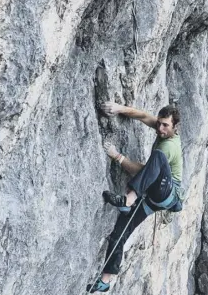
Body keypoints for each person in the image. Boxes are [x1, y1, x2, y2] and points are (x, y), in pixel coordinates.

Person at [86, 101, 184, 293]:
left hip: (167, 193)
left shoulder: (169, 147)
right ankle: (104, 282)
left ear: (175, 127)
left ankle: (129, 200)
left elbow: (142, 171)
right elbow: (143, 115)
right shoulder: (161, 127)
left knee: (157, 158)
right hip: (152, 199)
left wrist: (117, 156)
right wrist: (119, 109)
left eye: (165, 125)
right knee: (119, 234)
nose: (160, 128)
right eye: (160, 123)